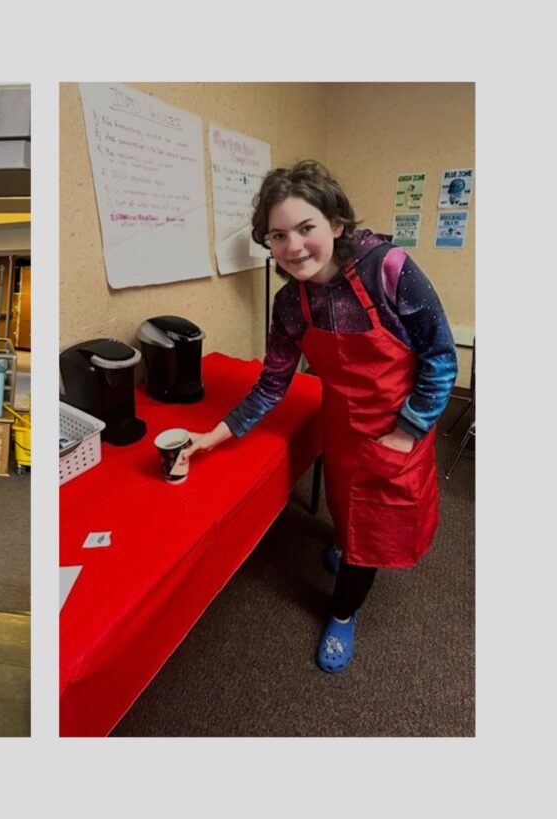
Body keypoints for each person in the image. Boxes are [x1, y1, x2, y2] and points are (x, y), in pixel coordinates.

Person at [181, 160, 457, 673]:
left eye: (306, 228)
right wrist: (214, 436)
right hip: (342, 429)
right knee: (347, 514)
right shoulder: (290, 305)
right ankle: (349, 547)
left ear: (335, 223)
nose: (294, 247)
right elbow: (272, 384)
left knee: (374, 535)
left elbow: (441, 356)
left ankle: (344, 611)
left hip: (399, 426)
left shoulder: (388, 270)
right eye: (278, 235)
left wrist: (408, 430)